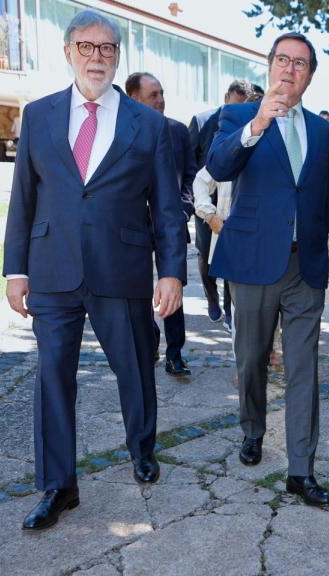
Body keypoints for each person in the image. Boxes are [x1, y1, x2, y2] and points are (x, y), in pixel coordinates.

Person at [2, 10, 185, 530]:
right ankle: (59, 486)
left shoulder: (149, 124)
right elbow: (23, 197)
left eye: (107, 48)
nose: (96, 57)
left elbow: (166, 207)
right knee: (52, 380)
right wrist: (15, 270)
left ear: (117, 57)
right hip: (52, 268)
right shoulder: (38, 115)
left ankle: (142, 448)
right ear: (68, 52)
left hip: (121, 267)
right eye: (86, 46)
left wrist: (171, 272)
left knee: (135, 368)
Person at [206, 31, 329, 508]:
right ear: (270, 65)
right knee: (252, 359)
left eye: (301, 63)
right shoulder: (238, 116)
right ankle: (253, 430)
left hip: (305, 266)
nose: (290, 69)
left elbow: (314, 197)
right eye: (283, 60)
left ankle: (301, 469)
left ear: (310, 75)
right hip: (253, 263)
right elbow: (218, 166)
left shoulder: (321, 131)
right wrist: (258, 123)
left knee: (304, 369)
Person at [126, 71, 197, 377]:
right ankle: (149, 340)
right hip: (133, 227)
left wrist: (183, 209)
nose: (160, 100)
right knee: (137, 289)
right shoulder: (121, 130)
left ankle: (175, 353)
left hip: (171, 225)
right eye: (153, 95)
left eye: (162, 93)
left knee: (172, 286)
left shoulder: (178, 131)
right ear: (133, 98)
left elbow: (191, 175)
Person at [188, 79, 253, 325]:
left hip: (235, 206)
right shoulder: (202, 121)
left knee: (231, 262)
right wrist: (203, 209)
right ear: (226, 98)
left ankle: (229, 310)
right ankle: (212, 298)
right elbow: (193, 168)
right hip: (208, 201)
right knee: (206, 254)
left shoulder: (249, 129)